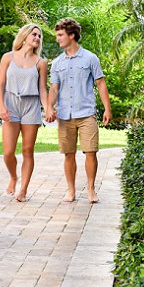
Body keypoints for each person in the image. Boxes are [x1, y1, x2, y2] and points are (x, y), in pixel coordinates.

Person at [47, 18, 112, 204]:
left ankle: (91, 189)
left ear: (72, 35)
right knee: (68, 154)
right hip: (65, 116)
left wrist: (107, 109)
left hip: (86, 114)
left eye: (60, 35)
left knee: (91, 152)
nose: (58, 39)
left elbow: (100, 83)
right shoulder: (57, 63)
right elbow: (54, 88)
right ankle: (71, 190)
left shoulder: (90, 58)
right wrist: (49, 108)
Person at [0, 23, 53, 202]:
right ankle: (13, 177)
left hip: (31, 106)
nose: (37, 38)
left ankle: (23, 191)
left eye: (39, 36)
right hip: (11, 104)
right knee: (8, 152)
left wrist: (48, 108)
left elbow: (42, 90)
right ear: (25, 36)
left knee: (28, 150)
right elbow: (0, 85)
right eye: (34, 34)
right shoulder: (8, 57)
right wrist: (2, 107)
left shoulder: (40, 63)